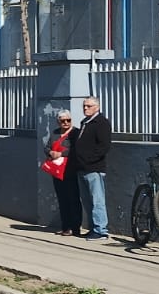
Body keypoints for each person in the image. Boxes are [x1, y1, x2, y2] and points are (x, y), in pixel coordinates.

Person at [69, 96, 112, 240]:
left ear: (97, 107)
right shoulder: (85, 122)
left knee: (97, 199)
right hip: (81, 168)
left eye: (89, 106)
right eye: (84, 106)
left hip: (94, 168)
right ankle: (93, 227)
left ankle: (101, 230)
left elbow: (104, 146)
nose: (85, 108)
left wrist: (88, 160)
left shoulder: (101, 123)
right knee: (87, 200)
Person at [46, 111, 82, 235]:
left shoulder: (76, 133)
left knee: (73, 198)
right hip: (57, 170)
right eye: (63, 121)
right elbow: (47, 147)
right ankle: (65, 226)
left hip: (70, 170)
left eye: (68, 120)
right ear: (58, 122)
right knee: (62, 199)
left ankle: (75, 227)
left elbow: (76, 149)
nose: (66, 123)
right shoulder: (55, 133)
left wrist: (61, 154)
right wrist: (51, 153)